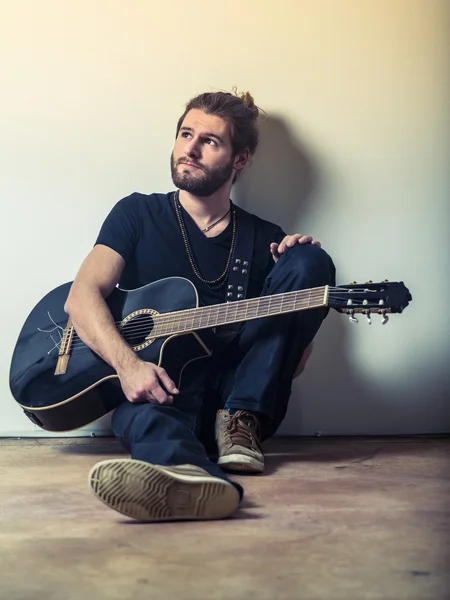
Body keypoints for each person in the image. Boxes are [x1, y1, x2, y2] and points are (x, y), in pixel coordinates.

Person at [64, 90, 336, 523]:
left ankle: (238, 420)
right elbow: (81, 296)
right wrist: (128, 366)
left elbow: (292, 364)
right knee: (142, 419)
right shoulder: (137, 213)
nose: (189, 149)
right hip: (162, 390)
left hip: (236, 405)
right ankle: (192, 480)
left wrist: (302, 282)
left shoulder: (265, 240)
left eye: (209, 141)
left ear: (239, 160)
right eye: (185, 134)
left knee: (311, 259)